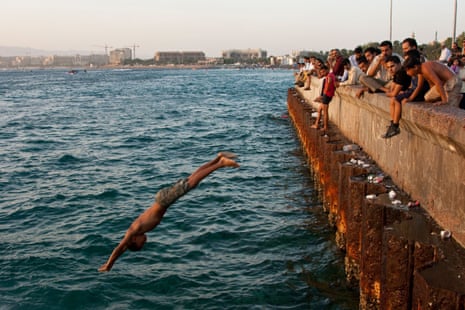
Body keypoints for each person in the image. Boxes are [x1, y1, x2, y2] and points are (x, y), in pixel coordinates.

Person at [98, 152, 240, 272]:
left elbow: (119, 248)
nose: (145, 241)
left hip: (164, 201)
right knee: (190, 179)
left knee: (192, 183)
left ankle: (220, 163)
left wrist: (110, 264)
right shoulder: (135, 232)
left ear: (134, 240)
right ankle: (218, 158)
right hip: (163, 200)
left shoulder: (133, 231)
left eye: (142, 243)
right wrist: (114, 260)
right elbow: (123, 250)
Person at [381, 56, 412, 138]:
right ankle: (393, 123)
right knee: (392, 100)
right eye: (388, 67)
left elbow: (393, 93)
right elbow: (392, 89)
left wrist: (388, 93)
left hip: (412, 91)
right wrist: (391, 92)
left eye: (392, 66)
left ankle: (395, 125)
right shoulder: (396, 74)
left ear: (399, 64)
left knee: (395, 99)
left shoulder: (402, 73)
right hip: (405, 91)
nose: (390, 69)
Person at [311, 65, 336, 132]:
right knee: (319, 110)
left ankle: (325, 127)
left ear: (327, 70)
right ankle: (317, 124)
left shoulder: (329, 76)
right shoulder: (331, 75)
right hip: (328, 95)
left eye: (323, 72)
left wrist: (321, 96)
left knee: (325, 112)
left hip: (327, 95)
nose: (323, 73)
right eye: (321, 72)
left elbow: (328, 86)